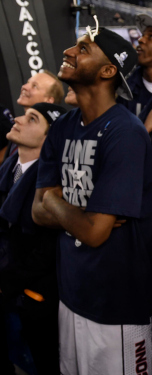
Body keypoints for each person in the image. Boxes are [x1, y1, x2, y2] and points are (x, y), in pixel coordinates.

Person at [32, 25, 152, 374]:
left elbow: (95, 233)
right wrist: (75, 212)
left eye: (83, 49)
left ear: (107, 71)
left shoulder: (125, 132)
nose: (69, 52)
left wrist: (55, 202)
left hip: (117, 305)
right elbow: (35, 210)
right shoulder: (63, 126)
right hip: (71, 294)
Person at [0, 103, 66, 375]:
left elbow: (46, 248)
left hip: (36, 298)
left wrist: (7, 282)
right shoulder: (8, 166)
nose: (17, 119)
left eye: (32, 119)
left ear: (48, 139)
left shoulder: (54, 182)